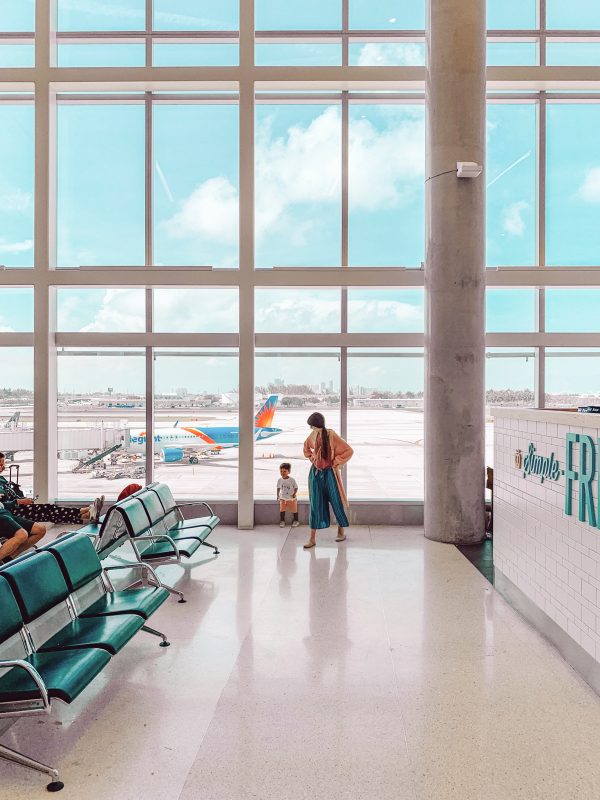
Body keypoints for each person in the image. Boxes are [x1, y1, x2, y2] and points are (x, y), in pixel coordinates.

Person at [0, 453, 103, 524]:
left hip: (17, 508)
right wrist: (17, 502)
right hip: (10, 512)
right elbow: (2, 505)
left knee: (50, 513)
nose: (3, 468)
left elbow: (12, 496)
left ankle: (87, 514)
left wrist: (23, 500)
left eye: (3, 465)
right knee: (49, 510)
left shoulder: (1, 479)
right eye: (0, 465)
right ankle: (87, 512)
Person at [302, 412, 353, 549]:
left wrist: (335, 462)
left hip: (330, 474)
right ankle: (312, 539)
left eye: (312, 425)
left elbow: (348, 450)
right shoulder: (313, 435)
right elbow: (306, 448)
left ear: (316, 424)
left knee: (336, 502)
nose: (311, 428)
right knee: (315, 505)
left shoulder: (331, 435)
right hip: (316, 474)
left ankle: (341, 531)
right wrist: (313, 458)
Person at [277, 462, 299, 528]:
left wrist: (294, 494)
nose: (282, 473)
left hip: (291, 499)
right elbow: (278, 487)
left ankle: (296, 521)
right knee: (282, 510)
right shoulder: (280, 480)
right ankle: (282, 521)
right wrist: (278, 495)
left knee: (294, 510)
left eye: (284, 471)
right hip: (283, 498)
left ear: (289, 471)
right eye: (281, 471)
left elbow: (296, 487)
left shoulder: (292, 480)